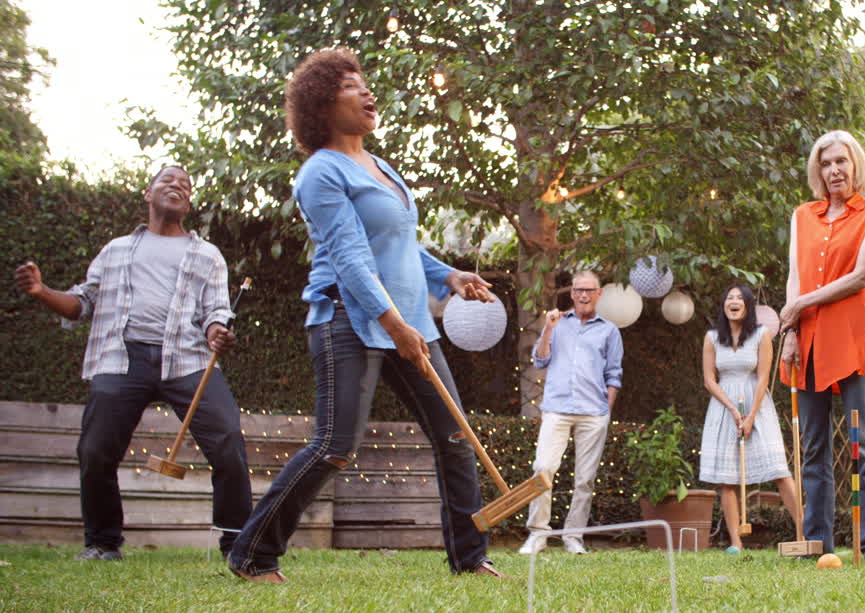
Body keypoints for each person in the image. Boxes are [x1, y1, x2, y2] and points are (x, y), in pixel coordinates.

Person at [227, 49, 498, 582]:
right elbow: (350, 256)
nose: (367, 92)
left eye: (364, 82)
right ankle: (252, 552)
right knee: (335, 445)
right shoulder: (320, 173)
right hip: (348, 321)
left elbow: (397, 246)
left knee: (455, 436)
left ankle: (470, 559)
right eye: (352, 85)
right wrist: (391, 322)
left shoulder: (381, 167)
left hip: (411, 322)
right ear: (324, 104)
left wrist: (448, 275)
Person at [13, 166, 252, 561]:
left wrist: (216, 333)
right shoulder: (116, 249)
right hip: (121, 359)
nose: (177, 186)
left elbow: (216, 312)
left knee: (228, 443)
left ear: (189, 203)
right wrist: (41, 291)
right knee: (95, 451)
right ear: (148, 192)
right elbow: (81, 303)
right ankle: (103, 544)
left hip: (188, 359)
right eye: (168, 180)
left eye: (185, 186)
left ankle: (237, 546)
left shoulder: (207, 255)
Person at [778, 130, 865, 561]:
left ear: (855, 164)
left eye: (841, 162)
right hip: (806, 343)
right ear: (817, 170)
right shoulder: (802, 216)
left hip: (852, 340)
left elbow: (863, 274)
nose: (833, 171)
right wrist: (791, 330)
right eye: (825, 164)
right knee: (812, 450)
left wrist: (801, 304)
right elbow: (795, 275)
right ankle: (817, 545)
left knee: (864, 444)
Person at [518, 270, 623, 555]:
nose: (583, 295)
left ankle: (573, 537)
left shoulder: (609, 331)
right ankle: (538, 535)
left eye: (589, 290)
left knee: (585, 479)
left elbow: (614, 374)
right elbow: (540, 361)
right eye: (578, 290)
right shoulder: (557, 323)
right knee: (542, 469)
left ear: (599, 294)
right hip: (557, 409)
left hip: (594, 413)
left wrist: (606, 410)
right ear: (572, 293)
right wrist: (549, 328)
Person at [699, 284, 801, 553]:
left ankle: (803, 532)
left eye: (739, 298)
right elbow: (709, 380)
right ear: (724, 306)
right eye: (729, 297)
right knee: (727, 479)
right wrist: (733, 410)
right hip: (723, 407)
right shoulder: (712, 338)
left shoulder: (761, 335)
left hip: (757, 405)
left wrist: (751, 415)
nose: (733, 301)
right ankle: (735, 542)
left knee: (779, 470)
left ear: (747, 306)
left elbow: (764, 377)